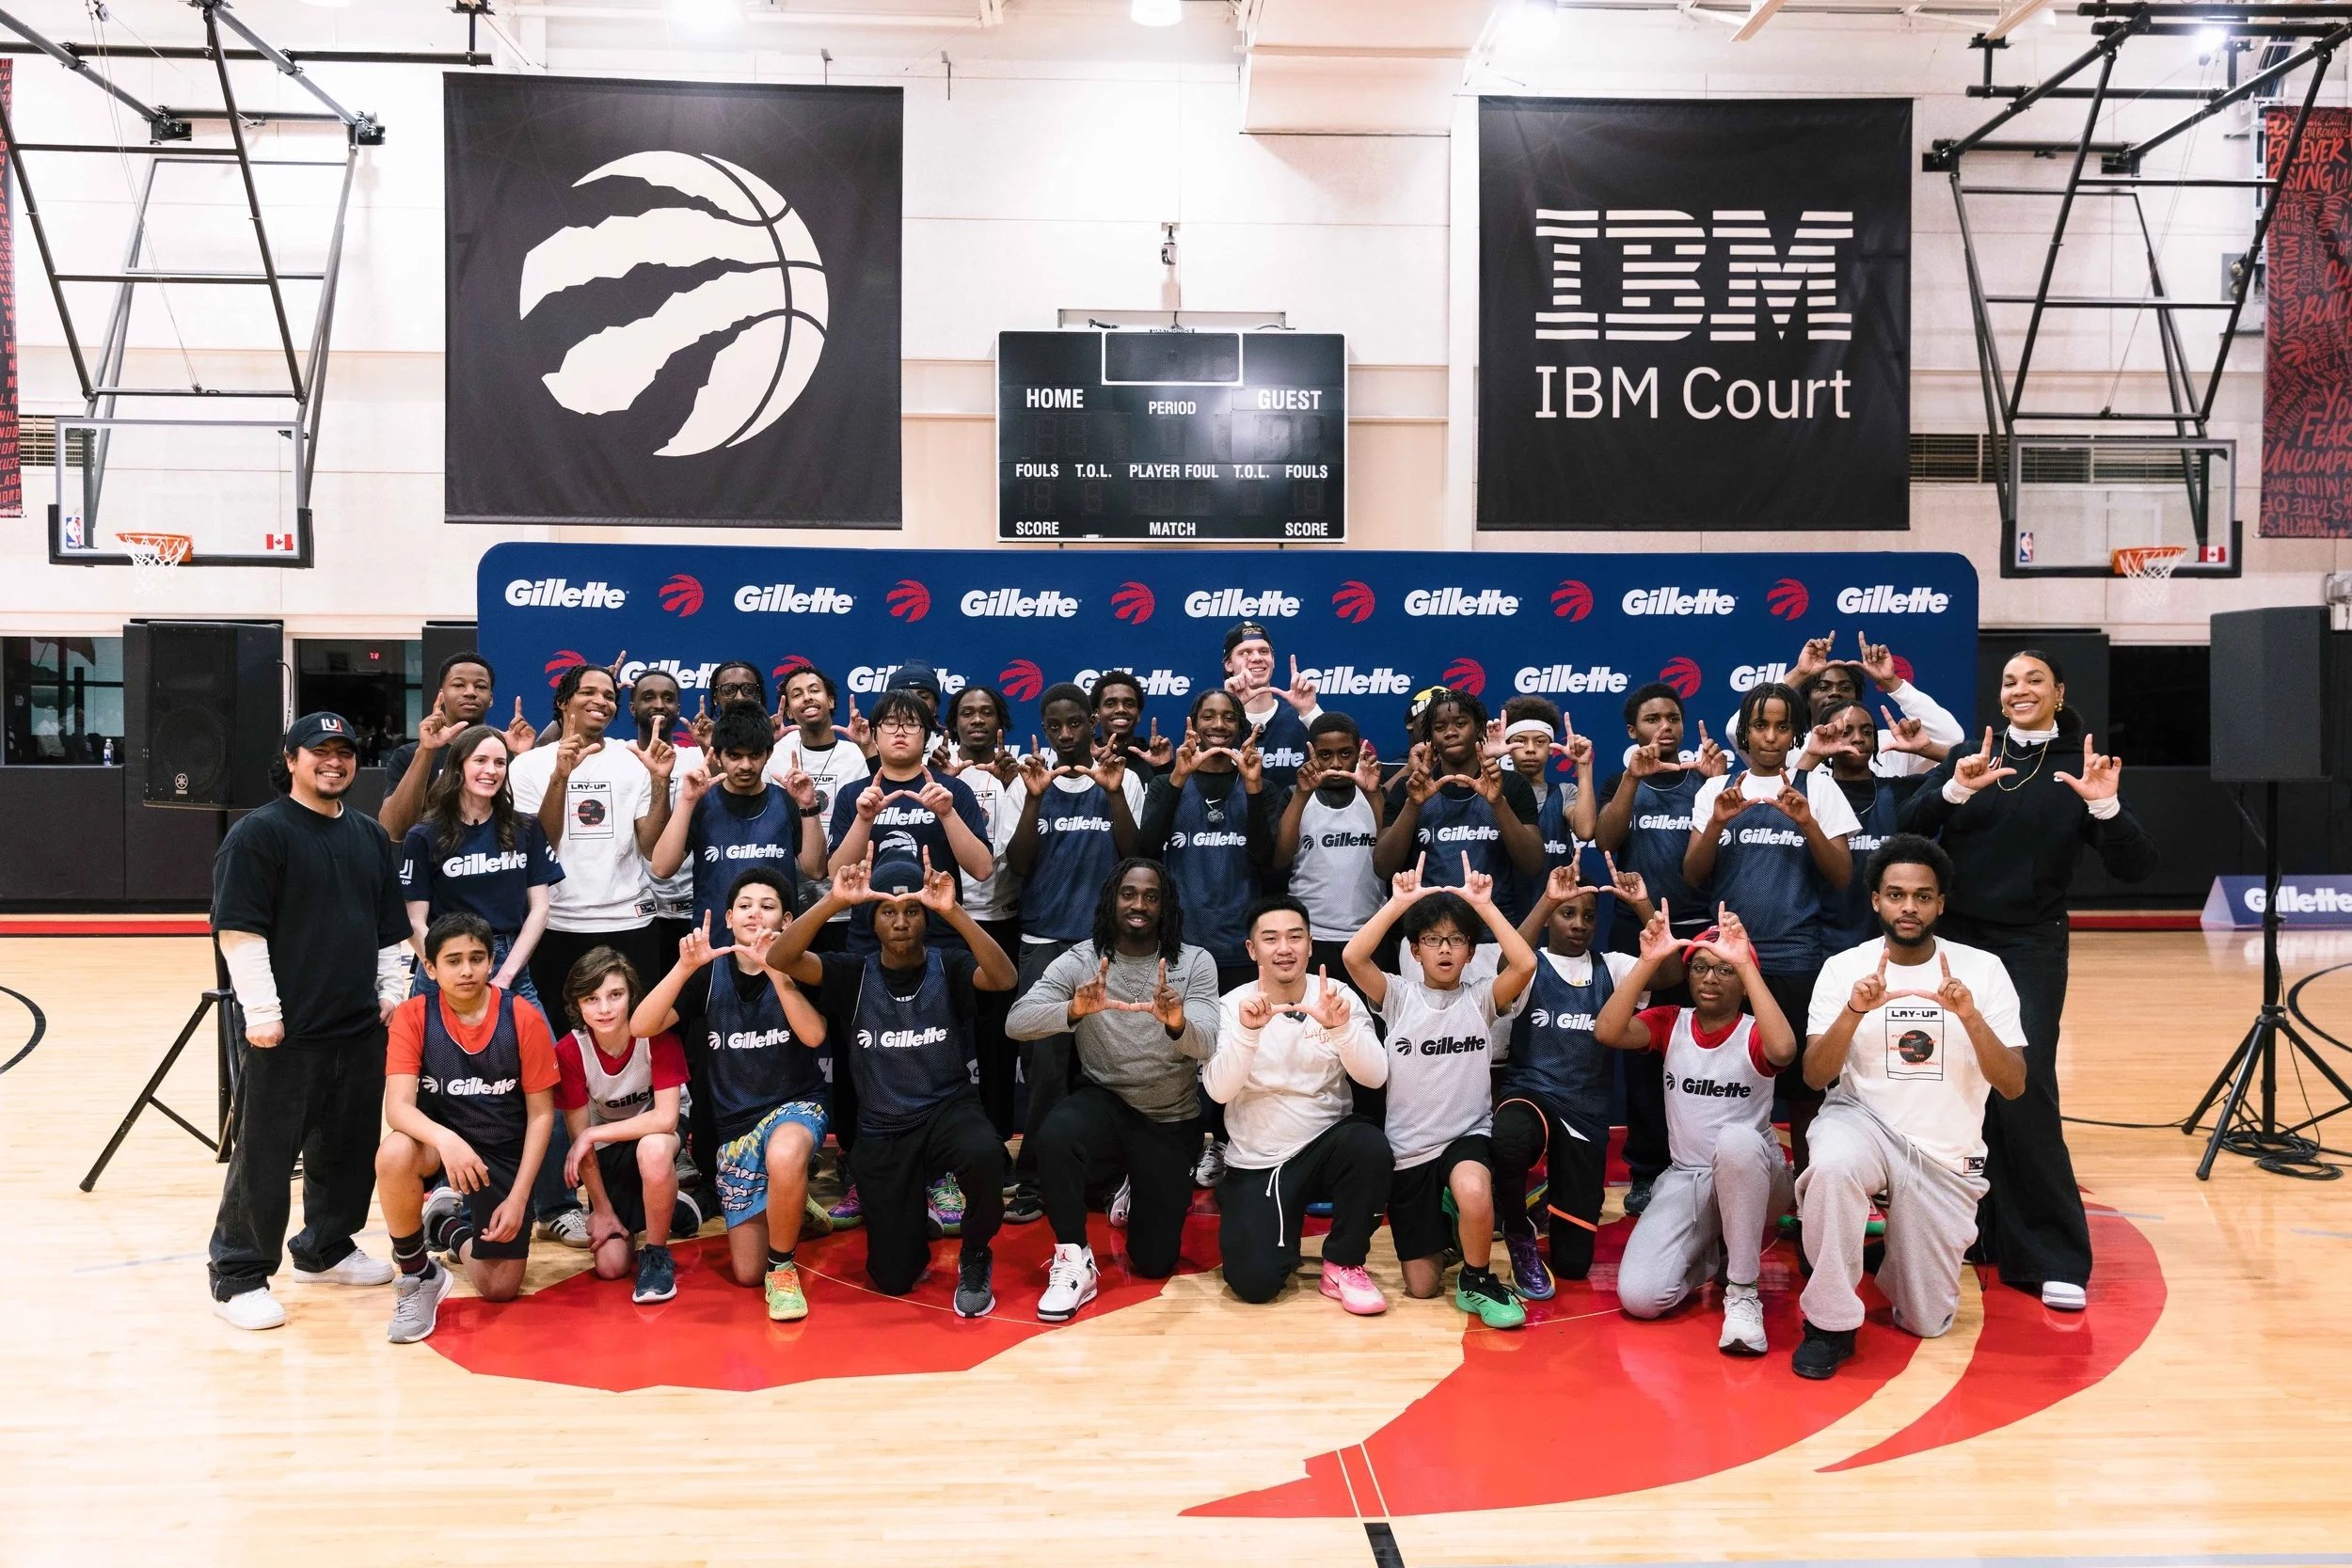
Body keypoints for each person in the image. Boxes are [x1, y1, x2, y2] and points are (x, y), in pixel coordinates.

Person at [1899, 651, 2156, 1312]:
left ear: (2059, 692)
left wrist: (2107, 807)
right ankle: (1974, 1231)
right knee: (1957, 1084)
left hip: (2031, 945)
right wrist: (1953, 787)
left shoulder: (2080, 766)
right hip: (1956, 943)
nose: (2019, 690)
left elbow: (2137, 867)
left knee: (2024, 1083)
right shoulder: (1974, 758)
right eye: (2010, 681)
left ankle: (2051, 1252)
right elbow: (1905, 833)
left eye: (2033, 680)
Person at [1792, 833, 2028, 1377]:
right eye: (1896, 895)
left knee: (1927, 1319)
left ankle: (1889, 1256)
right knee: (1830, 1167)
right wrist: (1853, 1010)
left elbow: (2013, 1085)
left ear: (1941, 904)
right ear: (1875, 899)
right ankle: (1829, 1324)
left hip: (1943, 1153)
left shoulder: (1984, 970)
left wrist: (1970, 1015)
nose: (1908, 907)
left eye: (1922, 897)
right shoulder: (1842, 970)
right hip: (1863, 1121)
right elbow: (1814, 1075)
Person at [208, 713, 412, 1331]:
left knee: (349, 1148)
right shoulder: (259, 834)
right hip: (287, 1031)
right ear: (292, 759)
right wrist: (264, 1012)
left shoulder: (369, 837)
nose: (334, 761)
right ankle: (237, 1274)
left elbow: (388, 928)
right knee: (266, 1156)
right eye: (319, 750)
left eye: (345, 751)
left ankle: (325, 1248)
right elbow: (239, 929)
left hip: (357, 1025)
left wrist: (391, 992)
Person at [768, 850, 1019, 1319]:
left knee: (985, 1153)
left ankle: (976, 1251)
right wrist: (833, 902)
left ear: (926, 918)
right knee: (893, 1277)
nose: (901, 921)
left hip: (947, 1110)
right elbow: (780, 956)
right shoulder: (852, 973)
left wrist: (954, 910)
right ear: (873, 920)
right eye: (888, 911)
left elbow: (1004, 978)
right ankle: (909, 1218)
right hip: (884, 1129)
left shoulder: (950, 966)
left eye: (912, 911)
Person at [1004, 860, 1221, 1323]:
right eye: (1128, 893)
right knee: (1057, 1133)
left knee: (1153, 1262)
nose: (1138, 904)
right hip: (1105, 1102)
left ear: (1165, 906)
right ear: (1112, 899)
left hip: (1170, 1116)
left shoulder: (1195, 961)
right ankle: (1072, 1257)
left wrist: (1177, 1023)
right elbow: (1016, 1022)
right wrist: (1073, 1010)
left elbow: (1207, 1043)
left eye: (1150, 896)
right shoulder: (1083, 958)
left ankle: (1134, 1189)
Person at [508, 661, 674, 1246]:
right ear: (565, 702)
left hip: (629, 923)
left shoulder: (633, 760)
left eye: (610, 695)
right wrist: (560, 773)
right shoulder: (527, 767)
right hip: (559, 927)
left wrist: (657, 784)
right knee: (553, 1069)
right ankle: (558, 1200)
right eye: (591, 693)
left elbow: (653, 849)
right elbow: (541, 844)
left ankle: (647, 1179)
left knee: (642, 1054)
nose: (604, 702)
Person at [1343, 855, 1538, 1328]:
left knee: (1473, 1188)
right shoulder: (1397, 996)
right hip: (1410, 1151)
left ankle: (1476, 1277)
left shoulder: (1481, 999)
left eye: (1456, 940)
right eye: (1432, 940)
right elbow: (1353, 957)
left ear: (1471, 952)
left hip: (1466, 1137)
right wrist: (1398, 903)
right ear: (1415, 951)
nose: (1444, 950)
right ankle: (1454, 1226)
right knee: (1422, 1286)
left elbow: (1526, 961)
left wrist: (1485, 906)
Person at [1592, 904, 1796, 1355]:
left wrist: (1745, 962)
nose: (1708, 977)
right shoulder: (1671, 1023)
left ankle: (1743, 1293)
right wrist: (1647, 963)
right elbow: (1607, 1032)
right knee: (1641, 1298)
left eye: (1724, 970)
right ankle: (1713, 1252)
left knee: (1736, 1139)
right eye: (1700, 966)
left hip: (1758, 1175)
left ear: (1743, 981)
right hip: (1690, 1177)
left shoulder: (1754, 1030)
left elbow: (1783, 1051)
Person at [630, 872, 830, 1321]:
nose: (755, 913)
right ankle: (792, 1202)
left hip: (796, 1107)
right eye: (744, 905)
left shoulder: (799, 967)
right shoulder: (709, 976)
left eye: (767, 904)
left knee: (783, 1153)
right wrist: (684, 968)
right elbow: (641, 1026)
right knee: (744, 1272)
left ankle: (783, 1269)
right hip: (736, 1128)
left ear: (787, 918)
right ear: (728, 918)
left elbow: (815, 1036)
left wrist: (779, 972)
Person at [1683, 679, 1856, 1171]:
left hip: (1797, 958)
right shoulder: (1719, 789)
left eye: (1783, 727)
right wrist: (1716, 823)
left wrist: (1807, 823)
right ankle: (1721, 1181)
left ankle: (1808, 1188)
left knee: (1804, 1088)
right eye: (1761, 725)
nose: (1771, 737)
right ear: (1745, 731)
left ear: (1796, 733)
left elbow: (1842, 875)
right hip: (1729, 963)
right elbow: (1693, 876)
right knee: (1731, 1081)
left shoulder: (1818, 787)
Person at [375, 913, 560, 1343]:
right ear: (431, 968)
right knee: (395, 1152)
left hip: (502, 1148)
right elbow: (398, 1109)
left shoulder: (522, 1017)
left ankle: (446, 1228)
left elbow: (541, 1115)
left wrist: (518, 1199)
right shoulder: (413, 1015)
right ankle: (417, 1273)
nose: (466, 970)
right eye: (453, 960)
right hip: (441, 1146)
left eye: (477, 958)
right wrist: (446, 1139)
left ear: (492, 963)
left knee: (498, 1289)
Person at [1206, 895, 1391, 1312]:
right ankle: (1270, 1233)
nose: (1284, 948)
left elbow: (1376, 1076)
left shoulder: (1338, 995)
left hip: (1327, 1147)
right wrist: (1249, 1035)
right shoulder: (1231, 1006)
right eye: (1270, 939)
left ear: (1310, 944)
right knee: (1253, 1284)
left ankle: (1343, 1263)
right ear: (1253, 950)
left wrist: (1341, 1029)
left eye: (1295, 937)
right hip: (1260, 1160)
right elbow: (1218, 1092)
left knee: (1369, 1146)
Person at [1490, 860, 1662, 1299]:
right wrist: (1548, 897)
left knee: (1572, 1266)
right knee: (1509, 1138)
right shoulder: (1532, 965)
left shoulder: (1616, 967)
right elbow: (1505, 964)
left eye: (1589, 915)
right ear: (1549, 918)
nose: (1579, 924)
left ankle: (1543, 1198)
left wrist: (1643, 908)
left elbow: (1672, 974)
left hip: (1585, 1113)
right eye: (1568, 913)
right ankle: (1518, 1230)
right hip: (1532, 1094)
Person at [1004, 683, 1145, 1220]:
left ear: (1093, 724)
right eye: (1054, 726)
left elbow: (1136, 856)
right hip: (1044, 941)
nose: (1065, 735)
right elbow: (1017, 865)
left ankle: (1101, 1176)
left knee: (1106, 1065)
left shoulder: (1123, 779)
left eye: (1075, 724)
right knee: (1045, 1070)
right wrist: (1035, 797)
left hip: (1105, 946)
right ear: (1043, 727)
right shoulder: (1028, 783)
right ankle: (1036, 1178)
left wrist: (1111, 793)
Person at [1592, 681, 1724, 1214]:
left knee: (1709, 1050)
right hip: (1638, 932)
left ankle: (1709, 1163)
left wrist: (1714, 787)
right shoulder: (1623, 781)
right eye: (1652, 719)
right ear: (1633, 731)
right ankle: (1648, 1171)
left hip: (1703, 930)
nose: (1664, 727)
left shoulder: (1704, 780)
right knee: (1647, 1055)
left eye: (1672, 717)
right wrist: (1629, 779)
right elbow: (1603, 840)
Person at [1139, 687, 1279, 1188]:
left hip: (1240, 946)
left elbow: (1271, 861)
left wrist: (1257, 788)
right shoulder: (1166, 784)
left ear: (1242, 726)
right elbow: (1141, 854)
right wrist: (1176, 777)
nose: (1219, 724)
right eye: (1209, 716)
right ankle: (1170, 1149)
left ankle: (1224, 1145)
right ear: (1193, 724)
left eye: (1228, 717)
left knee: (1237, 1053)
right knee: (1177, 1052)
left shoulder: (1262, 786)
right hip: (1184, 945)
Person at [550, 946, 699, 1305]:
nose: (604, 1009)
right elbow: (580, 1143)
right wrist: (600, 1210)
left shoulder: (654, 1033)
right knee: (611, 1267)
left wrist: (593, 1133)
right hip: (611, 1144)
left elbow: (664, 1118)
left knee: (652, 1148)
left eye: (615, 995)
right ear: (577, 1004)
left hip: (655, 1132)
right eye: (592, 998)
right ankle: (670, 1202)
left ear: (631, 996)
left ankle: (658, 1253)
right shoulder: (570, 1051)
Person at [399, 725, 562, 1006]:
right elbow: (414, 921)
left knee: (541, 1050)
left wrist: (505, 975)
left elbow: (540, 908)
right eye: (481, 760)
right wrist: (445, 967)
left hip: (508, 960)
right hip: (445, 962)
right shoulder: (424, 834)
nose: (492, 770)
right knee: (435, 1051)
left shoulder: (526, 828)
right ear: (458, 766)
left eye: (500, 762)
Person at [650, 702, 825, 935]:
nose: (745, 766)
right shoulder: (700, 803)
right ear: (718, 757)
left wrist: (808, 806)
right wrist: (687, 801)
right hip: (712, 947)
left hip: (777, 947)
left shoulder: (786, 802)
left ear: (768, 754)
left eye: (754, 755)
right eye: (734, 755)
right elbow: (662, 868)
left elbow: (816, 871)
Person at [939, 683, 1025, 1136]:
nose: (977, 720)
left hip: (1001, 924)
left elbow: (1028, 850)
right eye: (967, 713)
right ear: (953, 724)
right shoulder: (935, 772)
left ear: (1000, 723)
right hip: (947, 924)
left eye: (986, 712)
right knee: (942, 1038)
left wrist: (1016, 787)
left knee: (997, 1045)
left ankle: (997, 1140)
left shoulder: (1025, 772)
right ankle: (945, 1138)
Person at [1375, 686, 1545, 891]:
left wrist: (1498, 802)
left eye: (1460, 723)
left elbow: (1533, 865)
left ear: (1480, 729)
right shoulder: (1409, 789)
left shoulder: (1512, 785)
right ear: (1430, 737)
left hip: (1494, 920)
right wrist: (1412, 805)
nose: (1450, 733)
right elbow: (1383, 868)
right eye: (1439, 727)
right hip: (1427, 919)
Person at [1815, 702, 1946, 953]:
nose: (1858, 738)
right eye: (1846, 731)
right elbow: (1780, 791)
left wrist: (1927, 748)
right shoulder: (1812, 794)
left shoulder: (1899, 792)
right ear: (1827, 735)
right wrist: (1814, 754)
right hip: (1823, 944)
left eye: (1866, 732)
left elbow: (1966, 769)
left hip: (1894, 944)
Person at [1273, 711, 1387, 982]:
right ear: (1311, 754)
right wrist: (1301, 794)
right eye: (1325, 755)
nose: (1336, 763)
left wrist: (1373, 794)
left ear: (1359, 752)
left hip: (1370, 936)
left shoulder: (1374, 794)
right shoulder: (1294, 795)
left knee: (1371, 1023)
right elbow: (1280, 859)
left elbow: (1390, 859)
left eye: (1345, 753)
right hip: (1311, 937)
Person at [378, 652, 539, 840]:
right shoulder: (410, 754)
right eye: (458, 685)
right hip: (436, 865)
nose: (470, 692)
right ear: (442, 694)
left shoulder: (510, 754)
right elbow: (393, 830)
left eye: (480, 686)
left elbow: (535, 832)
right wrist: (426, 751)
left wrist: (523, 759)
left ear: (491, 698)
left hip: (499, 865)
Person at [768, 661, 869, 951]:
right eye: (797, 694)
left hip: (846, 899)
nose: (807, 698)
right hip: (790, 905)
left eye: (815, 690)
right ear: (788, 711)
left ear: (831, 700)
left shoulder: (855, 755)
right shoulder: (776, 754)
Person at [1496, 696, 1600, 927]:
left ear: (1552, 749)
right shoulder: (1492, 796)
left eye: (1540, 742)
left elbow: (1585, 830)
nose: (1531, 749)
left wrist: (1583, 768)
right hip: (1504, 918)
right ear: (1507, 747)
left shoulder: (1564, 793)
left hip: (1554, 920)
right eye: (1521, 741)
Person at [630, 669, 698, 958]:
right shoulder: (617, 756)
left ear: (679, 708)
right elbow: (545, 752)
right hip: (638, 914)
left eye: (668, 698)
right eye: (649, 697)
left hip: (693, 912)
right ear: (632, 708)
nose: (659, 704)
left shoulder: (696, 757)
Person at [1220, 622, 1320, 792]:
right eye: (1245, 652)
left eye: (1264, 651)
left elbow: (1346, 763)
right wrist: (1228, 708)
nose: (1257, 657)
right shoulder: (1216, 721)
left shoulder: (1300, 715)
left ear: (1273, 661)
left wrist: (1310, 711)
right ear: (1228, 664)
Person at [1091, 668, 1173, 781]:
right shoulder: (1087, 757)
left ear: (1138, 714)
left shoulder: (1154, 757)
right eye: (1110, 704)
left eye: (1129, 704)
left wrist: (1164, 768)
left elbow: (1173, 798)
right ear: (1097, 714)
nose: (1121, 709)